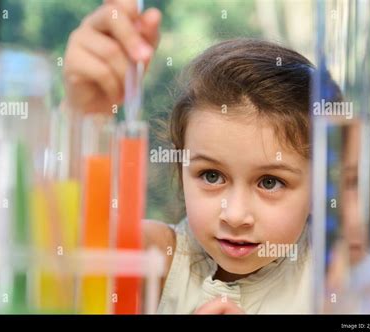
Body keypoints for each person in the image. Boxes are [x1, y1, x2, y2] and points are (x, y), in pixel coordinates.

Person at [63, 0, 316, 314]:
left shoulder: (332, 277)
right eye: (211, 176)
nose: (235, 216)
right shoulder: (162, 258)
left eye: (270, 182)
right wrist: (84, 114)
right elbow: (67, 239)